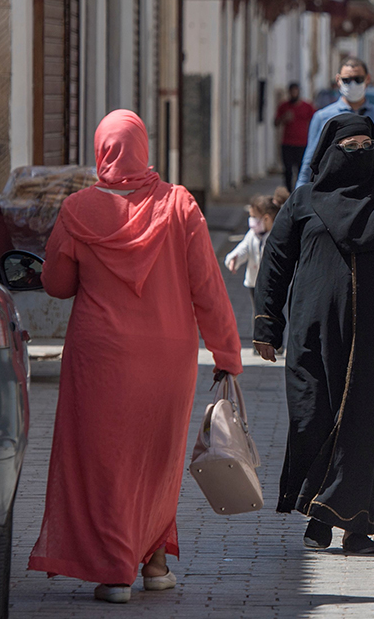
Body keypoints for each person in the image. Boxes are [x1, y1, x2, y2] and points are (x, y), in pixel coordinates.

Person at [28, 110, 242, 603]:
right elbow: (207, 287)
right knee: (156, 458)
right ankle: (155, 562)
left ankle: (114, 572)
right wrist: (227, 351)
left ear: (101, 150)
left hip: (99, 357)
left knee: (106, 461)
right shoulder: (179, 204)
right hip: (168, 357)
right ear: (143, 147)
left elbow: (56, 284)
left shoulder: (78, 209)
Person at [254, 113, 374, 555]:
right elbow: (275, 265)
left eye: (366, 145)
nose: (358, 153)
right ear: (329, 152)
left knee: (367, 429)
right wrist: (267, 324)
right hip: (312, 337)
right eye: (349, 146)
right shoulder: (302, 202)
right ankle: (318, 514)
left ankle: (358, 525)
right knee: (312, 420)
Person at [295, 58, 374, 196]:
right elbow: (309, 165)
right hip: (335, 197)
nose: (353, 84)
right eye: (347, 80)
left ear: (367, 79)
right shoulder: (323, 118)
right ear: (338, 80)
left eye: (358, 79)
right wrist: (298, 202)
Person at [225, 190, 290, 313]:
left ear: (266, 219)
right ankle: (258, 331)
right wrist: (234, 257)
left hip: (272, 282)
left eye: (254, 217)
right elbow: (244, 247)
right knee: (258, 312)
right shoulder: (252, 235)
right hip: (253, 282)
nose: (251, 220)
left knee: (271, 312)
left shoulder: (277, 237)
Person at [276, 83, 314, 191]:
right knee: (287, 170)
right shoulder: (284, 106)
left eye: (295, 91)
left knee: (301, 170)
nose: (294, 93)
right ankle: (288, 192)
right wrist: (284, 118)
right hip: (287, 143)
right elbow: (276, 122)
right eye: (292, 91)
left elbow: (314, 120)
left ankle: (299, 192)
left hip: (302, 144)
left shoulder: (307, 106)